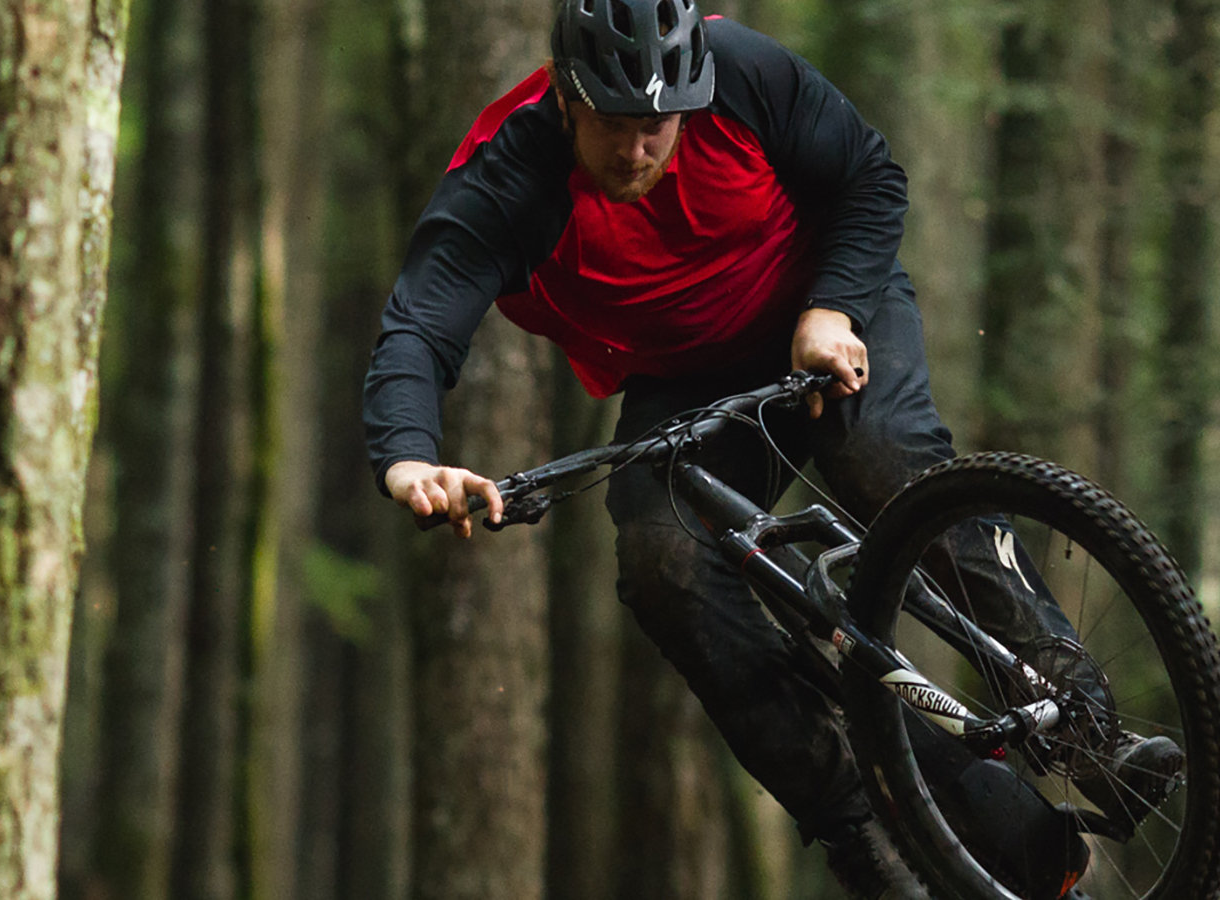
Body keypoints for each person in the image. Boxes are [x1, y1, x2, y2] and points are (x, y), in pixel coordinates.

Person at [360, 1, 1173, 896]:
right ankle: (867, 829)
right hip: (688, 376)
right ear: (566, 99)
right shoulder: (507, 179)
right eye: (616, 128)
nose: (639, 151)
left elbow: (869, 175)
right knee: (664, 564)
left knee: (885, 463)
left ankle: (1093, 737)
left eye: (658, 127)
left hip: (822, 303)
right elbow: (418, 328)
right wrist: (409, 456)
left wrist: (830, 309)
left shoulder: (743, 75)